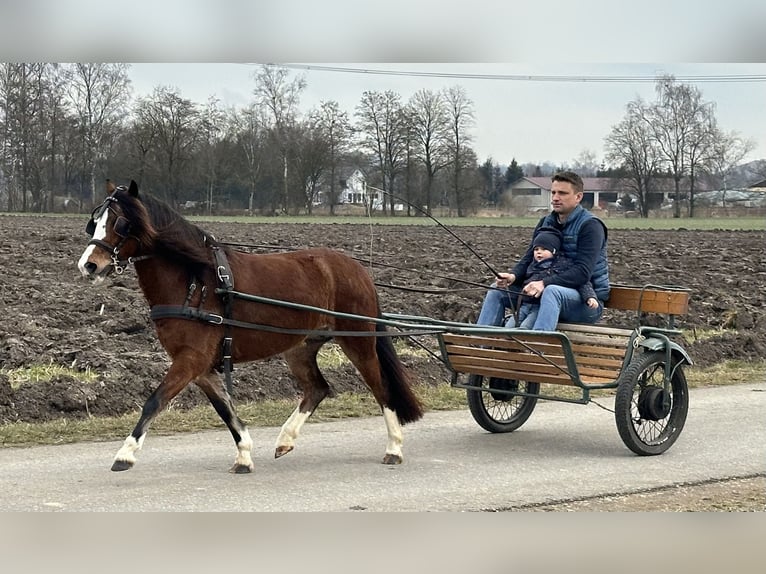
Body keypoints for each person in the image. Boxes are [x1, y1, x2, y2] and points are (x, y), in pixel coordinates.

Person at [476, 170, 609, 331]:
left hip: (586, 301)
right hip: (543, 295)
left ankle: (537, 349)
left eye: (562, 193)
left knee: (552, 292)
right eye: (553, 192)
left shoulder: (591, 226)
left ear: (578, 197)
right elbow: (528, 259)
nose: (555, 198)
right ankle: (481, 345)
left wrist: (544, 283)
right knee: (497, 290)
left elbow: (583, 272)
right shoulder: (546, 222)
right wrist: (513, 276)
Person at [505, 227, 599, 329]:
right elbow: (522, 278)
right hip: (524, 305)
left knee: (524, 328)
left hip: (539, 308)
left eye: (544, 249)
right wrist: (512, 277)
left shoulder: (563, 265)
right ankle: (501, 343)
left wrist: (590, 297)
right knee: (509, 327)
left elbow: (582, 282)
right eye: (536, 249)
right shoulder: (531, 265)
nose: (539, 252)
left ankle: (530, 342)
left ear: (554, 251)